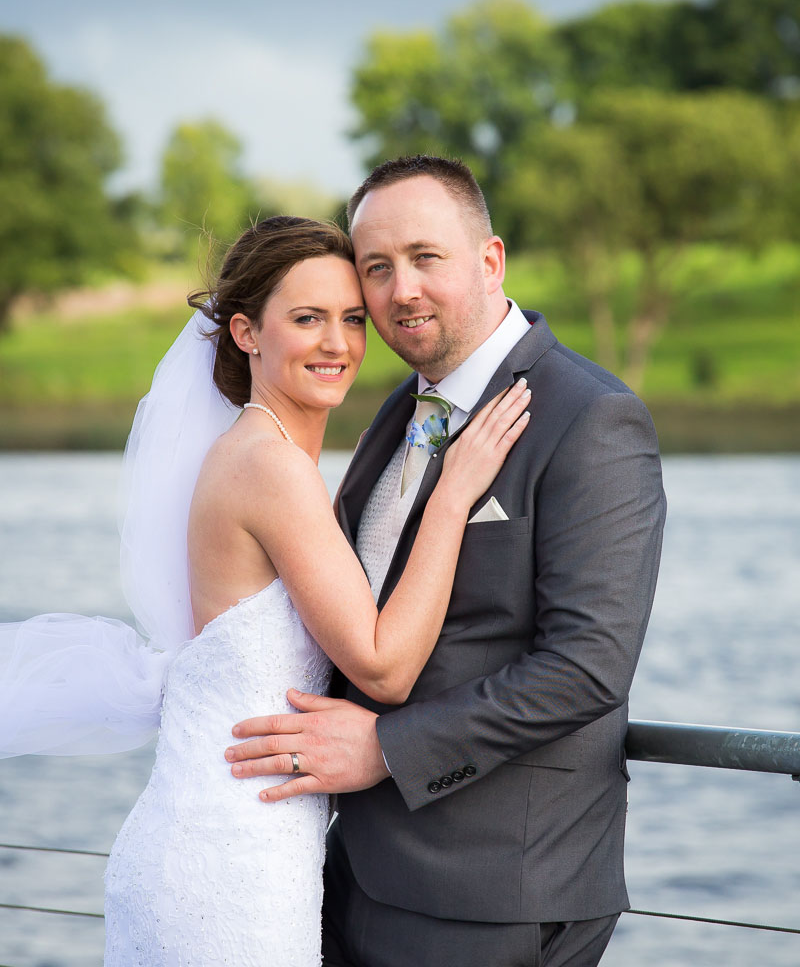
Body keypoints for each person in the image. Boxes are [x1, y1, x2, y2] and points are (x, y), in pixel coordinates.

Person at [0, 215, 530, 966]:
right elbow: (384, 665)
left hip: (250, 845)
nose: (338, 344)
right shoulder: (266, 466)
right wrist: (452, 497)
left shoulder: (270, 458)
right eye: (307, 319)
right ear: (247, 332)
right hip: (227, 863)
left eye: (352, 319)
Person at [225, 158, 668, 967]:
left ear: (490, 260)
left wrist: (387, 750)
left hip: (490, 895)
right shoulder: (399, 406)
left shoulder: (591, 418)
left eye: (427, 258)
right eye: (378, 268)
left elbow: (588, 668)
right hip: (345, 868)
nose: (402, 292)